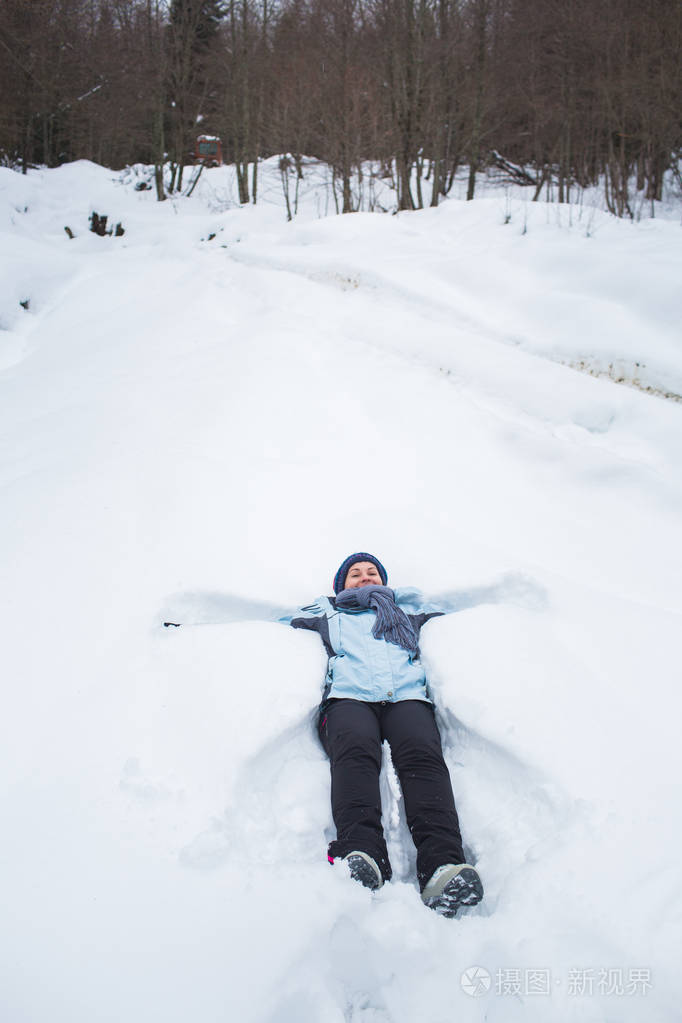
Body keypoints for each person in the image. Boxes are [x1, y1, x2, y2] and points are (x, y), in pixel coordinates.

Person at [279, 552, 483, 918]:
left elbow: (466, 616)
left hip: (406, 697)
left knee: (423, 756)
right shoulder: (327, 612)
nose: (365, 578)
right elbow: (272, 622)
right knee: (355, 754)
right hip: (349, 698)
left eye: (372, 573)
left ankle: (443, 866)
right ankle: (363, 853)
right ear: (341, 585)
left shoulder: (407, 610)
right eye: (355, 574)